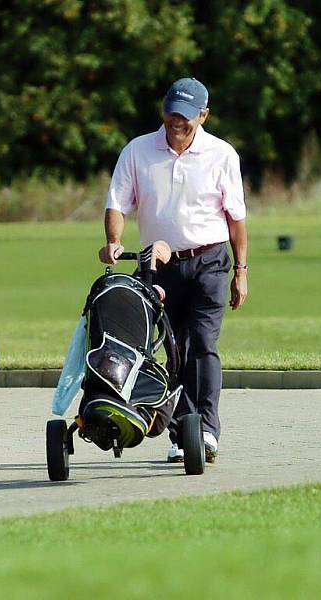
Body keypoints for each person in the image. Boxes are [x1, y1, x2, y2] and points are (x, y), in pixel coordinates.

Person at [98, 77, 248, 463]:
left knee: (202, 343)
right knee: (175, 350)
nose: (175, 122)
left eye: (184, 116)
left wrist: (241, 271)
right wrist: (115, 241)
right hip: (159, 266)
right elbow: (118, 202)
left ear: (203, 115)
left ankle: (207, 431)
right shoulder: (138, 151)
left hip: (210, 262)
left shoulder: (222, 154)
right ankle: (185, 433)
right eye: (170, 113)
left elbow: (236, 219)